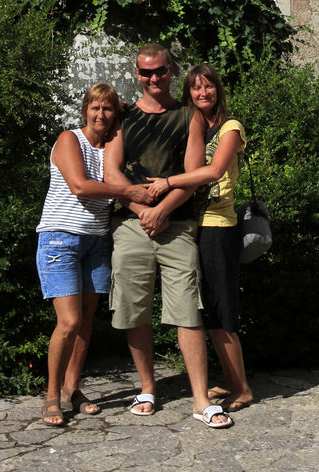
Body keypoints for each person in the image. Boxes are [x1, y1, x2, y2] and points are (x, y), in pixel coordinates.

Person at [104, 44, 233, 429]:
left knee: (187, 310)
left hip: (177, 225)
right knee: (132, 307)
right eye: (146, 73)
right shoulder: (123, 117)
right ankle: (147, 388)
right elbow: (113, 174)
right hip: (132, 223)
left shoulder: (189, 116)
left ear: (171, 71)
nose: (153, 79)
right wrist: (143, 210)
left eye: (160, 71)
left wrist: (163, 210)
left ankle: (199, 399)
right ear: (137, 74)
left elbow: (192, 175)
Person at [35, 83, 150, 428]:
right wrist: (126, 190)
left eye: (108, 109)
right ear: (84, 110)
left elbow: (128, 110)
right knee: (68, 322)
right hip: (61, 240)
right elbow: (80, 186)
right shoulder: (70, 139)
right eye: (94, 108)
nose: (100, 115)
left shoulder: (113, 147)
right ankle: (52, 395)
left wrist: (128, 108)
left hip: (96, 242)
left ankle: (73, 388)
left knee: (85, 322)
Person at [147, 63, 253, 412]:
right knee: (208, 308)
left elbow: (213, 171)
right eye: (196, 89)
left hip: (219, 225)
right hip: (198, 225)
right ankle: (229, 378)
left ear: (217, 90)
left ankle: (242, 388)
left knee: (222, 308)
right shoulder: (197, 127)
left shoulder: (230, 127)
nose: (202, 93)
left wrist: (169, 182)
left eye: (208, 87)